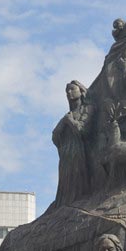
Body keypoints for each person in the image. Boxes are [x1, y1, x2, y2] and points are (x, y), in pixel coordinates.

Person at [50, 80, 94, 209]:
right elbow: (55, 136)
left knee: (77, 175)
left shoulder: (88, 109)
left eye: (72, 89)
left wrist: (69, 121)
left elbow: (82, 130)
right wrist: (64, 123)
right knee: (66, 179)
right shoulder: (67, 116)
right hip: (65, 153)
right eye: (67, 91)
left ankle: (79, 201)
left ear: (81, 91)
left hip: (79, 150)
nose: (69, 93)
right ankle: (66, 204)